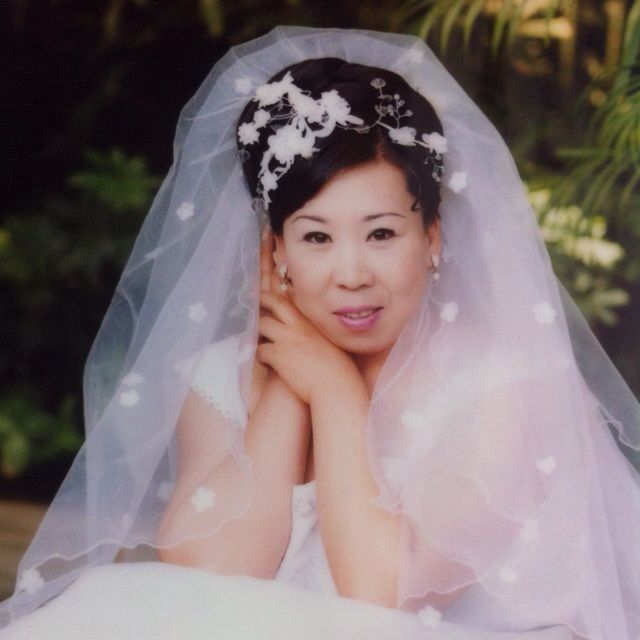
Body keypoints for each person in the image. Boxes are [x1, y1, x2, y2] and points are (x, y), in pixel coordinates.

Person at [1, 25, 639, 640]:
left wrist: (335, 391)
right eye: (316, 238)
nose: (352, 274)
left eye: (382, 233)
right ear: (275, 251)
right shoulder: (225, 374)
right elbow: (211, 574)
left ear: (432, 238)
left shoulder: (502, 385)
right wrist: (292, 380)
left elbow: (382, 593)